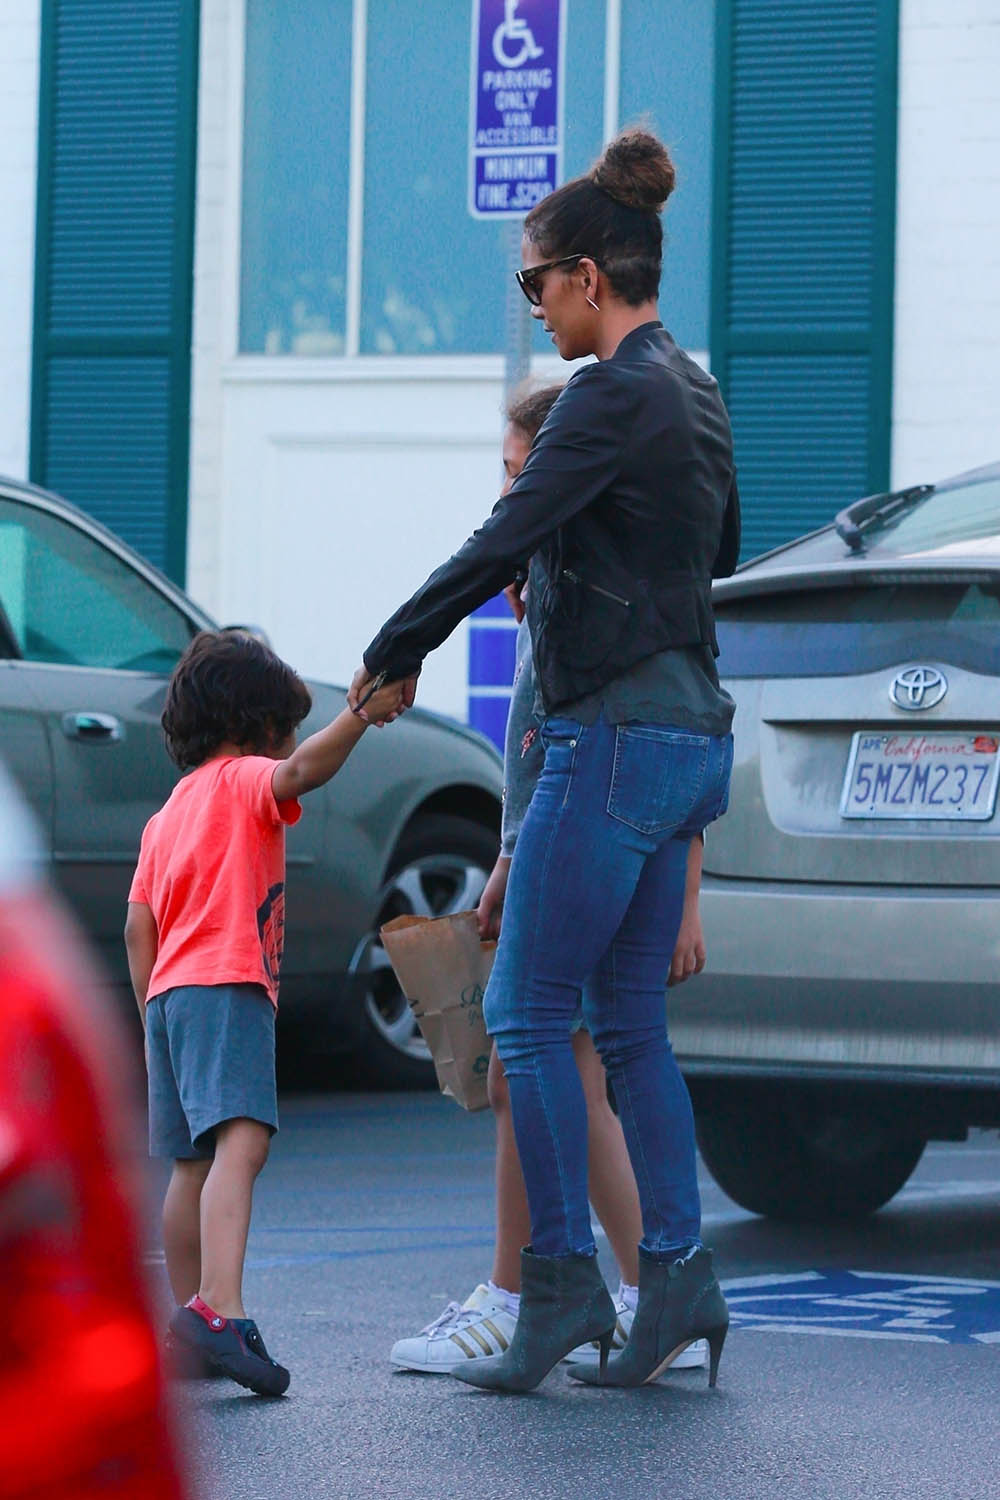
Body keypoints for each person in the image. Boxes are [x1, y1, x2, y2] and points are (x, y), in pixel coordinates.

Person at [350, 126, 740, 1394]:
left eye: (533, 283)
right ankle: (675, 1280)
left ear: (584, 276)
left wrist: (395, 643)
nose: (533, 306)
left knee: (524, 1012)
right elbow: (712, 550)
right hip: (689, 736)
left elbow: (507, 530)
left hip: (609, 737)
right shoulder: (694, 389)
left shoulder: (607, 393)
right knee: (627, 1025)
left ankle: (561, 1287)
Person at [389, 383, 708, 1376]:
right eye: (509, 473)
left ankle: (526, 1291)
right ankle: (651, 1288)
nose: (512, 493)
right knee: (579, 1061)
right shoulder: (595, 581)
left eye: (522, 472)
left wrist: (523, 861)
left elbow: (591, 742)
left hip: (581, 840)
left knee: (530, 1046)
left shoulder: (583, 588)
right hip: (580, 833)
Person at [125, 630, 403, 1396]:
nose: (288, 743)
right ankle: (222, 1309)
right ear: (253, 727)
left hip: (169, 998)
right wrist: (360, 715)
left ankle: (189, 1318)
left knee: (191, 1164)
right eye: (284, 726)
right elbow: (305, 770)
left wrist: (154, 1016)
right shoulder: (243, 778)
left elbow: (136, 928)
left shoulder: (167, 813)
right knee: (243, 1146)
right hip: (228, 983)